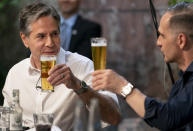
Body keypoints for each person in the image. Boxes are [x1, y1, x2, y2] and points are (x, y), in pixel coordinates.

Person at [2, 2, 120, 131]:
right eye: (41, 36)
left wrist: (78, 85)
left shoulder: (82, 65)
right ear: (25, 39)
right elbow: (8, 125)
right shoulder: (15, 73)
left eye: (54, 34)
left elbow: (114, 117)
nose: (50, 43)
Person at [92, 2, 193, 131]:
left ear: (181, 40)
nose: (158, 43)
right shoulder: (184, 79)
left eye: (162, 36)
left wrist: (122, 86)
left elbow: (167, 117)